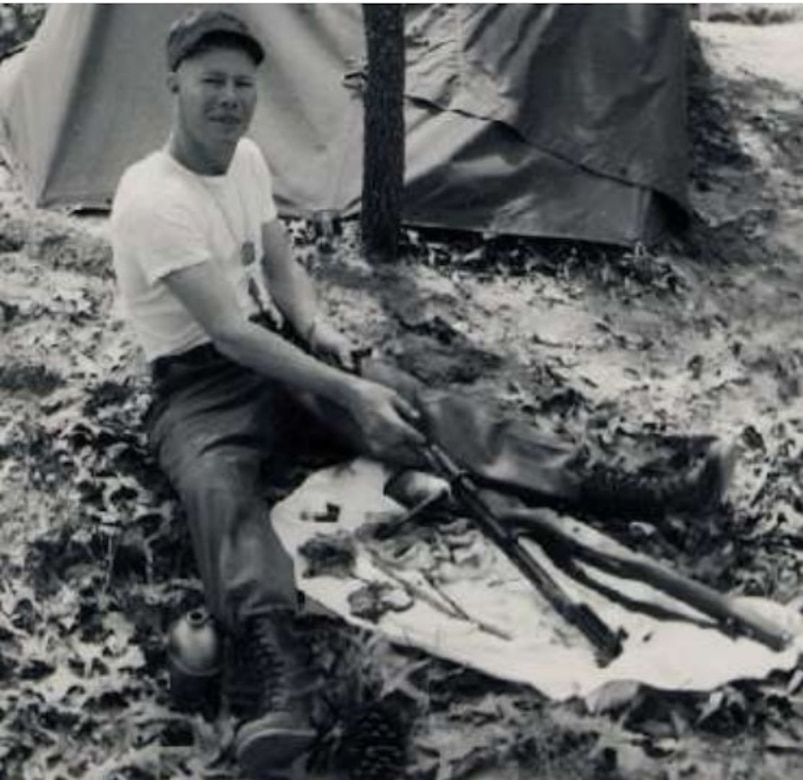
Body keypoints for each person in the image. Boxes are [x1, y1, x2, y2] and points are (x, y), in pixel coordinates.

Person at [110, 9, 734, 776]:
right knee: (217, 491)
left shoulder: (245, 161)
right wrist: (341, 387)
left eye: (242, 84)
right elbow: (231, 334)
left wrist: (321, 328)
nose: (230, 99)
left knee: (417, 407)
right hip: (198, 386)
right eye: (212, 83)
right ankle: (279, 677)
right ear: (175, 84)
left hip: (279, 350)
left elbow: (279, 272)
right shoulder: (149, 195)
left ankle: (624, 489)